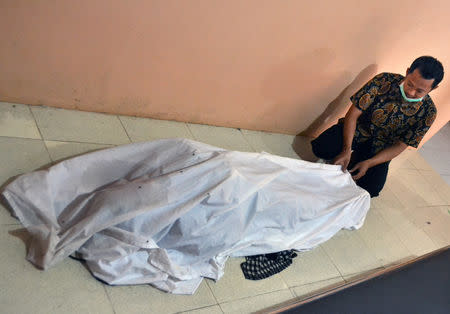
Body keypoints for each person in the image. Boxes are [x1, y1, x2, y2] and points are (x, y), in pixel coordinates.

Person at [310, 56, 444, 197]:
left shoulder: (428, 113)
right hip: (358, 130)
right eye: (410, 84)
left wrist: (370, 163)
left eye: (420, 91)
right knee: (322, 147)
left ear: (433, 88)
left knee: (371, 189)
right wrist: (346, 149)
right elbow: (353, 114)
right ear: (407, 71)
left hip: (381, 147)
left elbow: (401, 145)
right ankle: (348, 155)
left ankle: (358, 159)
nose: (411, 92)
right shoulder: (383, 80)